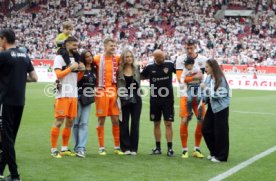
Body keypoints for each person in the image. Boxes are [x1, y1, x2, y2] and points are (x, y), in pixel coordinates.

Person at [0, 29, 38, 181]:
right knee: (10, 138)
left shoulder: (3, 56)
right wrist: (20, 80)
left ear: (3, 39)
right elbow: (34, 77)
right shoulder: (24, 55)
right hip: (20, 102)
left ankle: (15, 175)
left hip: (5, 101)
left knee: (6, 138)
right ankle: (1, 169)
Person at [50, 36, 85, 158]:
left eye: (77, 45)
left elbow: (77, 78)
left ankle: (64, 148)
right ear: (67, 45)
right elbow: (58, 75)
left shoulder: (76, 58)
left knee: (70, 122)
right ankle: (54, 149)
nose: (76, 47)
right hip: (62, 93)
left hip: (73, 94)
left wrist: (82, 71)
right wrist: (71, 68)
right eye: (74, 45)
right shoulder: (59, 58)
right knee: (59, 121)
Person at [176, 39, 207, 159]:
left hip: (198, 95)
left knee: (202, 120)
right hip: (185, 94)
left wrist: (195, 78)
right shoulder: (180, 59)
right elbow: (180, 79)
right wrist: (196, 77)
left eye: (191, 48)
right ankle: (184, 150)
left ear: (195, 47)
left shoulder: (203, 60)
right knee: (185, 120)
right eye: (187, 48)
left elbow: (204, 77)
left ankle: (196, 149)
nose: (189, 51)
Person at [141, 49, 175, 157]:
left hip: (168, 99)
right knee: (156, 123)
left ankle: (170, 149)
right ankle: (158, 148)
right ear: (155, 58)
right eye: (160, 57)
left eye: (163, 56)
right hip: (155, 99)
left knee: (168, 123)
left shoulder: (169, 64)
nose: (163, 58)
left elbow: (180, 73)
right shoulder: (150, 67)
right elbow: (141, 77)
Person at [93, 38, 123, 156]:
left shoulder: (118, 58)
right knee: (101, 119)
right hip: (101, 91)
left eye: (114, 45)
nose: (113, 47)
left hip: (113, 91)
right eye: (111, 45)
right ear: (105, 46)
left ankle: (117, 147)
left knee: (115, 119)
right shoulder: (97, 59)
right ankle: (101, 147)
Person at [201, 59, 230, 163]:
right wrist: (204, 99)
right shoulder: (209, 77)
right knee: (205, 129)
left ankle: (221, 157)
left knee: (221, 132)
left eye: (207, 67)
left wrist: (206, 89)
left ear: (213, 68)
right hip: (212, 107)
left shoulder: (220, 79)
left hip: (221, 108)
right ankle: (214, 152)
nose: (205, 69)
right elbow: (205, 92)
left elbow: (218, 95)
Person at [117, 49, 142, 155]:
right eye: (127, 57)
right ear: (123, 58)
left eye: (130, 56)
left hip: (136, 98)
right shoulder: (119, 70)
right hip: (123, 98)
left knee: (135, 123)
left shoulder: (136, 68)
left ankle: (134, 148)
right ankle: (125, 147)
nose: (129, 58)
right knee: (123, 123)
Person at [73, 50, 96, 158]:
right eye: (86, 57)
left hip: (88, 99)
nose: (89, 58)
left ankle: (81, 148)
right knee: (76, 123)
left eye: (90, 56)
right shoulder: (80, 68)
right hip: (77, 97)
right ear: (83, 58)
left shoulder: (95, 69)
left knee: (84, 123)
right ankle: (77, 147)